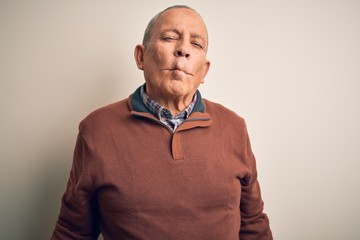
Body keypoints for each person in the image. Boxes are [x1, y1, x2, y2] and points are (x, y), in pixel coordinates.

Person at [52, 5, 272, 240]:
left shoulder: (234, 127)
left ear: (204, 71)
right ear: (141, 56)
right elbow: (73, 232)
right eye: (169, 38)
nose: (183, 50)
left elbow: (253, 226)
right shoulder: (96, 130)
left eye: (196, 44)